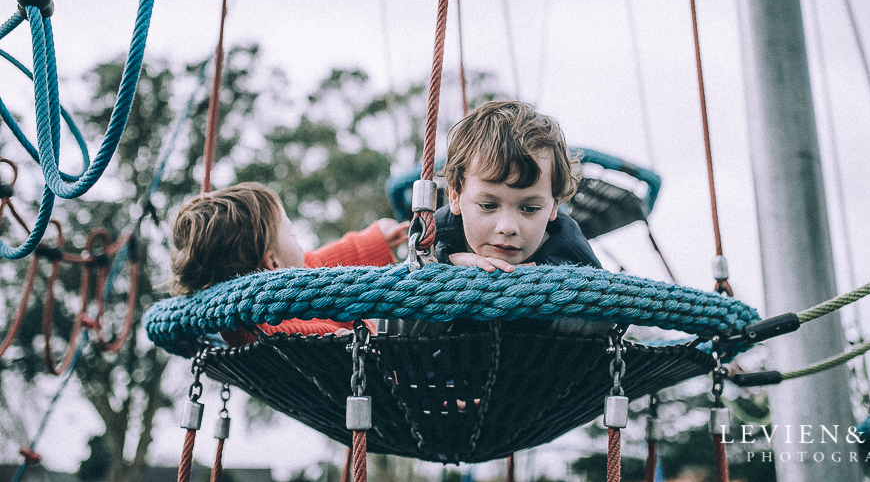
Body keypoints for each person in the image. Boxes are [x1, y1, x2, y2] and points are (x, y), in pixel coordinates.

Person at [169, 182, 408, 344]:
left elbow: (314, 268)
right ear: (272, 262)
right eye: (291, 234)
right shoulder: (286, 336)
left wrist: (375, 240)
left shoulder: (265, 308)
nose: (298, 242)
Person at [434, 100, 602, 271]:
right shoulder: (437, 232)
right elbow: (413, 273)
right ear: (455, 197)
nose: (507, 228)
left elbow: (597, 289)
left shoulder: (567, 244)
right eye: (488, 206)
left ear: (554, 206)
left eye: (530, 209)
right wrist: (447, 262)